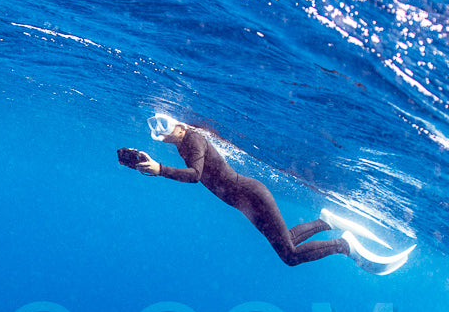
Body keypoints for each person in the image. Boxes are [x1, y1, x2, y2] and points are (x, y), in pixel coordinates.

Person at [133, 114, 397, 271]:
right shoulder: (183, 144)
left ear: (179, 125)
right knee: (286, 243)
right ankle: (325, 221)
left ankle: (343, 245)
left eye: (166, 129)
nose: (164, 135)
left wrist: (159, 169)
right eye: (160, 134)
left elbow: (195, 176)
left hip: (253, 196)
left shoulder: (192, 139)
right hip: (245, 203)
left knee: (290, 256)